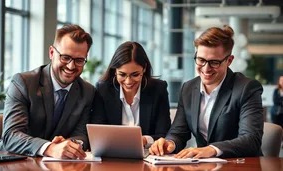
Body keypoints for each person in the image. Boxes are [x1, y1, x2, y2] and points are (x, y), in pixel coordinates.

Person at [149, 25, 264, 158]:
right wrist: (170, 143)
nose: (206, 68)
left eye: (214, 62)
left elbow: (251, 139)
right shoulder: (188, 88)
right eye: (201, 60)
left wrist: (212, 149)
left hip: (241, 165)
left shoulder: (247, 88)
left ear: (229, 61)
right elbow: (179, 132)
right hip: (205, 165)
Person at [0, 24, 95, 159]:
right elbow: (11, 135)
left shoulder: (87, 91)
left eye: (79, 60)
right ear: (52, 53)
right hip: (12, 161)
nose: (71, 66)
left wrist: (71, 145)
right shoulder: (23, 83)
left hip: (57, 165)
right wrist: (50, 148)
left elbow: (82, 133)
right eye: (65, 57)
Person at [92, 41, 171, 146]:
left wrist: (144, 140)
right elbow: (98, 132)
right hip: (112, 155)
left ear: (144, 68)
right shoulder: (103, 90)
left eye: (135, 74)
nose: (128, 81)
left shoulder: (158, 89)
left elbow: (164, 133)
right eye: (122, 74)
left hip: (148, 155)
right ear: (115, 70)